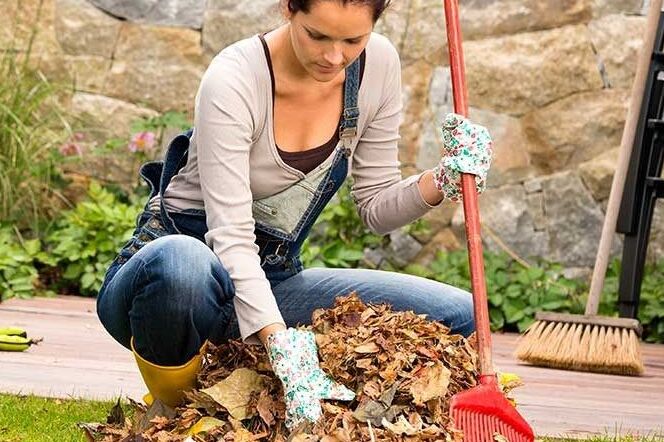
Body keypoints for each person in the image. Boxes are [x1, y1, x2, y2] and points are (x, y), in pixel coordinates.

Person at [96, 0, 493, 431]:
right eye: (317, 35)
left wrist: (445, 179)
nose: (334, 57)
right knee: (180, 263)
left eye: (352, 40)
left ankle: (314, 402)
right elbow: (229, 237)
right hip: (170, 293)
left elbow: (376, 206)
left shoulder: (378, 66)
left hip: (271, 280)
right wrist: (282, 344)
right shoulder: (234, 78)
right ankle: (179, 412)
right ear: (289, 9)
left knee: (462, 314)